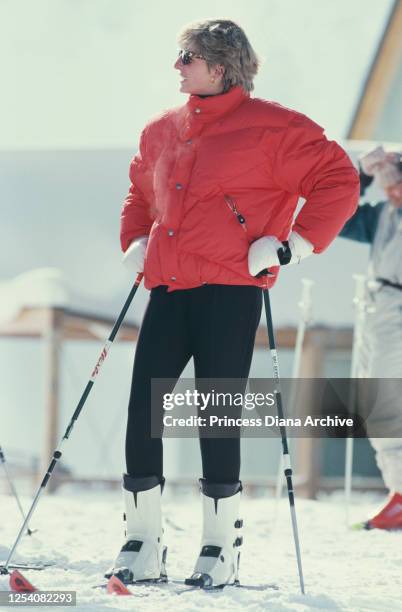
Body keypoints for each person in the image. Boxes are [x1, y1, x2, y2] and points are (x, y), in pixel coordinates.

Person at [106, 19, 359, 587]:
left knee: (215, 414)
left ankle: (220, 547)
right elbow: (139, 190)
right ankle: (141, 539)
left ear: (220, 67)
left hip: (231, 288)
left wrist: (291, 244)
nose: (177, 65)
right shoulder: (161, 130)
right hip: (169, 287)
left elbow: (338, 179)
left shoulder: (275, 127)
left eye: (187, 56)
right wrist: (134, 240)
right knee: (143, 409)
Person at [339, 146, 402, 530]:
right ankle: (398, 490)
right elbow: (341, 217)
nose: (392, 191)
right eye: (388, 185)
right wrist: (362, 175)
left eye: (397, 184)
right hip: (376, 307)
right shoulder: (382, 215)